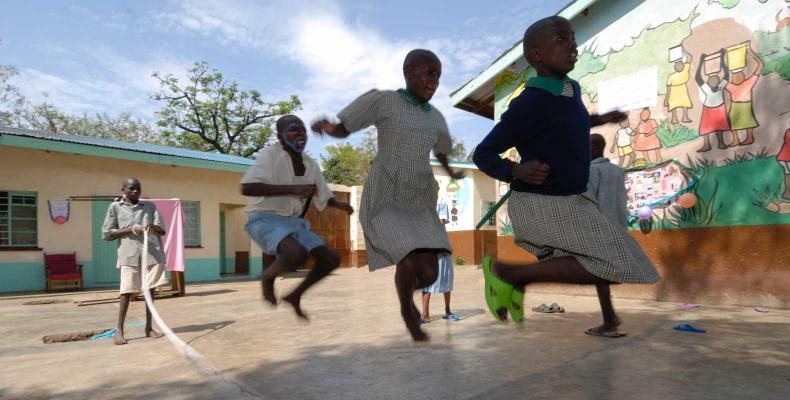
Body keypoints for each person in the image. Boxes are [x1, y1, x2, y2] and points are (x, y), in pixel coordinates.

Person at [472, 16, 661, 338]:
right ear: (536, 55)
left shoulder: (569, 91)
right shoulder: (529, 104)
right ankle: (508, 274)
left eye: (572, 38)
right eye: (561, 39)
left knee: (611, 261)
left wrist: (601, 119)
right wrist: (514, 169)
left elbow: (570, 123)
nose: (572, 44)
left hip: (571, 200)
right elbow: (483, 153)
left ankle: (511, 283)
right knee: (618, 261)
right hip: (541, 202)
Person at [312, 49, 463, 342]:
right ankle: (408, 310)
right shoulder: (386, 101)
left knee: (430, 272)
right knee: (407, 255)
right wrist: (330, 129)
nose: (434, 81)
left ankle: (407, 295)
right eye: (428, 72)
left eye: (438, 76)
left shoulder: (437, 118)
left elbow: (441, 150)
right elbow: (346, 126)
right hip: (388, 190)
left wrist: (451, 171)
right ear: (408, 72)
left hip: (419, 195)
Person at [241, 115, 353, 320]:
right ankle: (267, 277)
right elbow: (247, 187)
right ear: (280, 136)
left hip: (294, 223)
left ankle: (294, 295)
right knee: (295, 253)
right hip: (265, 217)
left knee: (331, 259)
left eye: (302, 130)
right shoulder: (270, 155)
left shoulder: (310, 164)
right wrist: (292, 189)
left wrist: (339, 204)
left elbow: (323, 193)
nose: (300, 133)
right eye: (293, 129)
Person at [102, 177, 167, 345]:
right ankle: (119, 330)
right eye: (131, 188)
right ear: (123, 189)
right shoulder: (115, 207)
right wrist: (130, 230)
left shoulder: (150, 206)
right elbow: (107, 233)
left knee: (150, 291)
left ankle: (148, 327)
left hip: (152, 254)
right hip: (129, 255)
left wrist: (152, 227)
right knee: (126, 291)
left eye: (138, 188)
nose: (135, 191)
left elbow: (162, 230)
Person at [586, 134, 628, 227]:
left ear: (595, 149)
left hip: (601, 229)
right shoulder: (618, 170)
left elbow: (587, 201)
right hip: (620, 227)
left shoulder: (592, 170)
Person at [695, 49, 733, 151]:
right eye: (711, 81)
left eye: (715, 80)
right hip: (708, 109)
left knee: (719, 127)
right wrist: (701, 62)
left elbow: (726, 75)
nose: (713, 82)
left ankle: (721, 143)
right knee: (705, 128)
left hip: (719, 109)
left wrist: (722, 59)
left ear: (718, 82)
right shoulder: (706, 88)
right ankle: (706, 145)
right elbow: (697, 77)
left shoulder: (721, 86)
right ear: (708, 83)